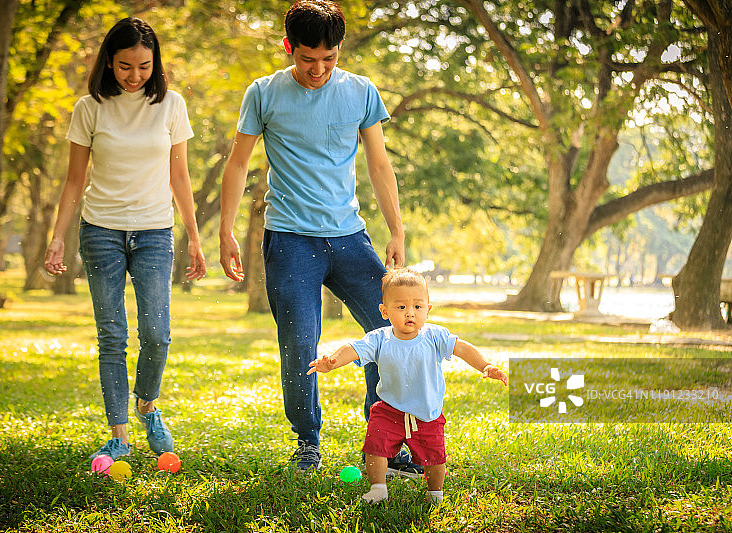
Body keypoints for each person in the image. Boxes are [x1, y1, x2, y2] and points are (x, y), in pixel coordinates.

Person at [219, 0, 418, 474]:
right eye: (308, 59)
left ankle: (386, 444)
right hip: (290, 240)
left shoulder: (361, 92)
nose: (319, 69)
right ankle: (308, 440)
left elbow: (378, 163)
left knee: (390, 334)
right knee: (300, 345)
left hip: (350, 238)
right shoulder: (263, 93)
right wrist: (225, 231)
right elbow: (238, 163)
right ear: (289, 48)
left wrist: (396, 228)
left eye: (329, 58)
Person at [44, 17, 206, 460]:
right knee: (112, 334)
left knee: (157, 334)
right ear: (108, 63)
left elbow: (180, 175)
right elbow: (75, 180)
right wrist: (57, 237)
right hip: (101, 231)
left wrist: (193, 236)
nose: (135, 76)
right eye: (124, 66)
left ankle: (147, 405)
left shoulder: (171, 105)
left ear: (155, 64)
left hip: (154, 230)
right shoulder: (89, 107)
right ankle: (118, 433)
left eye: (143, 66)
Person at [308, 268, 508, 504]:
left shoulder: (434, 335)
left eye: (417, 306)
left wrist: (485, 366)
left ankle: (435, 492)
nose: (410, 313)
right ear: (385, 311)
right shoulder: (379, 338)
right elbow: (353, 349)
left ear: (428, 309)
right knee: (375, 448)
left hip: (427, 412)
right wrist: (332, 361)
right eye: (401, 307)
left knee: (435, 457)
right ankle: (378, 488)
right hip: (389, 409)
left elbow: (462, 348)